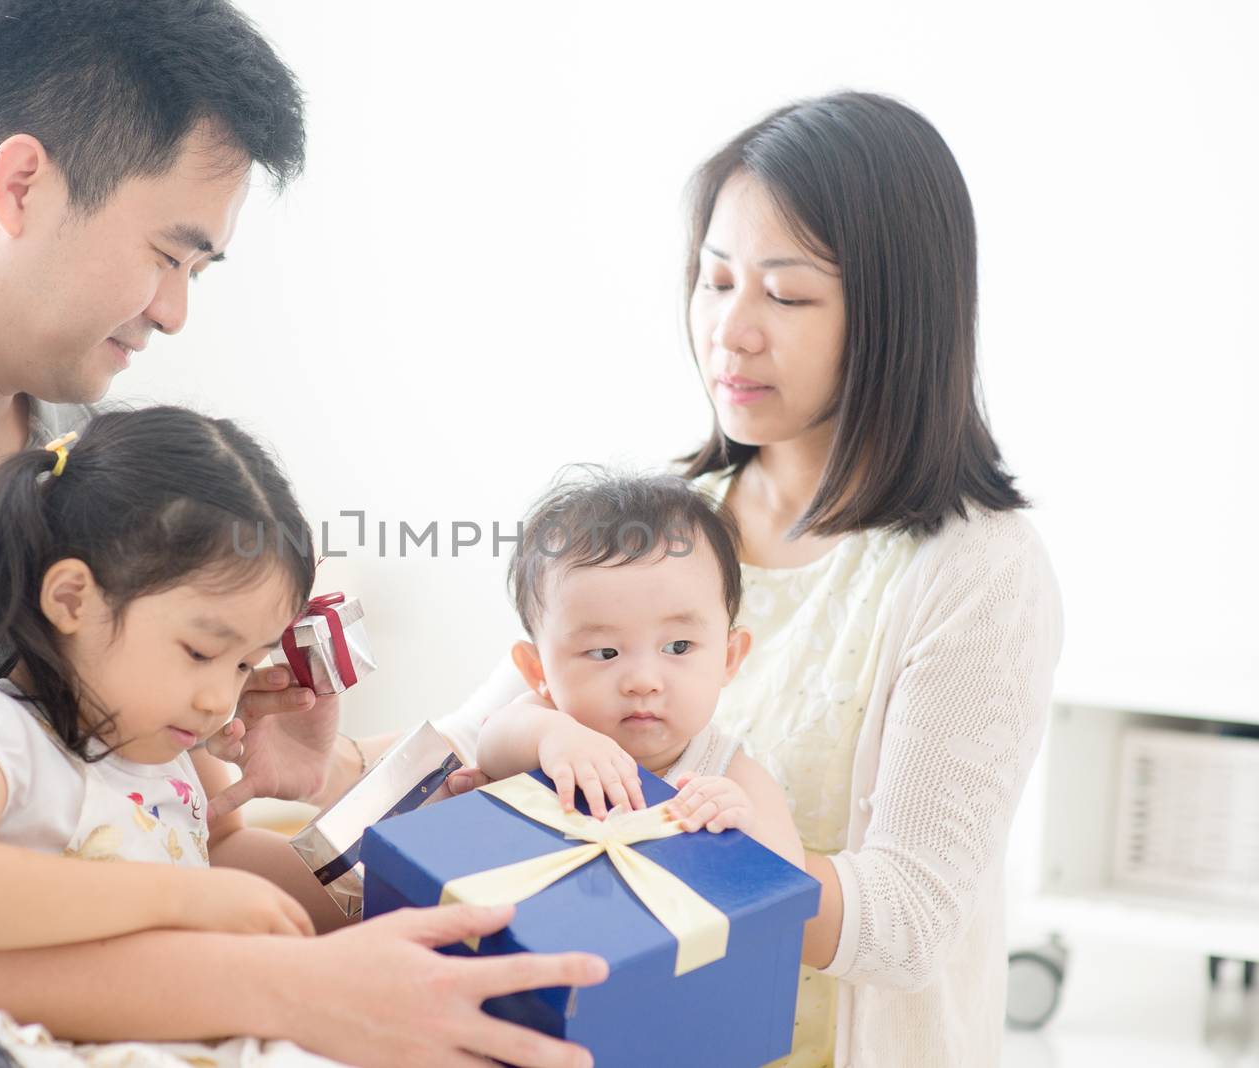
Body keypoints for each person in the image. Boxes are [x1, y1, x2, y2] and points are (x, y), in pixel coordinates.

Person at [0, 2, 604, 1066]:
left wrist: (268, 762)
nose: (173, 313)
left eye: (197, 274)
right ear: (21, 185)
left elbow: (163, 832)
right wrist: (287, 989)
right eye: (169, 255)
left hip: (71, 961)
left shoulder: (98, 463)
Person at [326, 92, 1064, 1067]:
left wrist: (716, 853)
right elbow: (482, 731)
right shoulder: (670, 521)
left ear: (897, 312)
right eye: (715, 283)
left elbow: (906, 921)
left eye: (786, 295)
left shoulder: (974, 570)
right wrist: (313, 778)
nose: (732, 331)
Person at [0, 406, 342, 955]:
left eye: (244, 665)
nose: (220, 701)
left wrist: (378, 892)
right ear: (72, 599)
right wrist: (178, 897)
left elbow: (225, 849)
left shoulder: (172, 744)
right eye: (200, 651)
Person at [471, 470, 803, 869]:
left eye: (678, 646)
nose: (643, 681)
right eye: (604, 652)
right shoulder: (545, 723)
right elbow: (489, 747)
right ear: (537, 668)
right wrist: (553, 737)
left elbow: (791, 877)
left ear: (728, 658)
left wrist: (742, 824)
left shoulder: (728, 771)